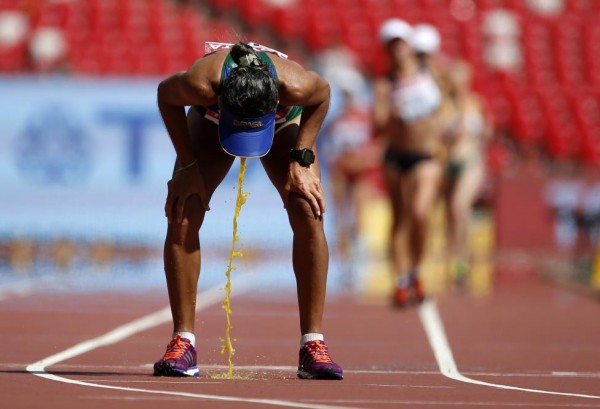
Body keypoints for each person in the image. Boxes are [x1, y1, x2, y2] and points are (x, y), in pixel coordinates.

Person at [153, 41, 343, 380]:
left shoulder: (295, 85)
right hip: (212, 124)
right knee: (183, 210)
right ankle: (183, 341)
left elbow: (323, 94)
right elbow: (166, 96)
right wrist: (187, 164)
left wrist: (302, 157)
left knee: (308, 209)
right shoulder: (201, 83)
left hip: (284, 124)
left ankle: (313, 343)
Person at [373, 19, 445, 307]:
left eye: (401, 44)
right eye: (391, 46)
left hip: (426, 155)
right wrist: (391, 113)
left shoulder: (431, 74)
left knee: (420, 212)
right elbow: (376, 127)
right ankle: (401, 278)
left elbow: (453, 100)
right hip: (395, 155)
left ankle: (416, 267)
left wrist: (448, 126)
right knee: (399, 217)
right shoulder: (384, 84)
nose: (397, 51)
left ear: (409, 46)